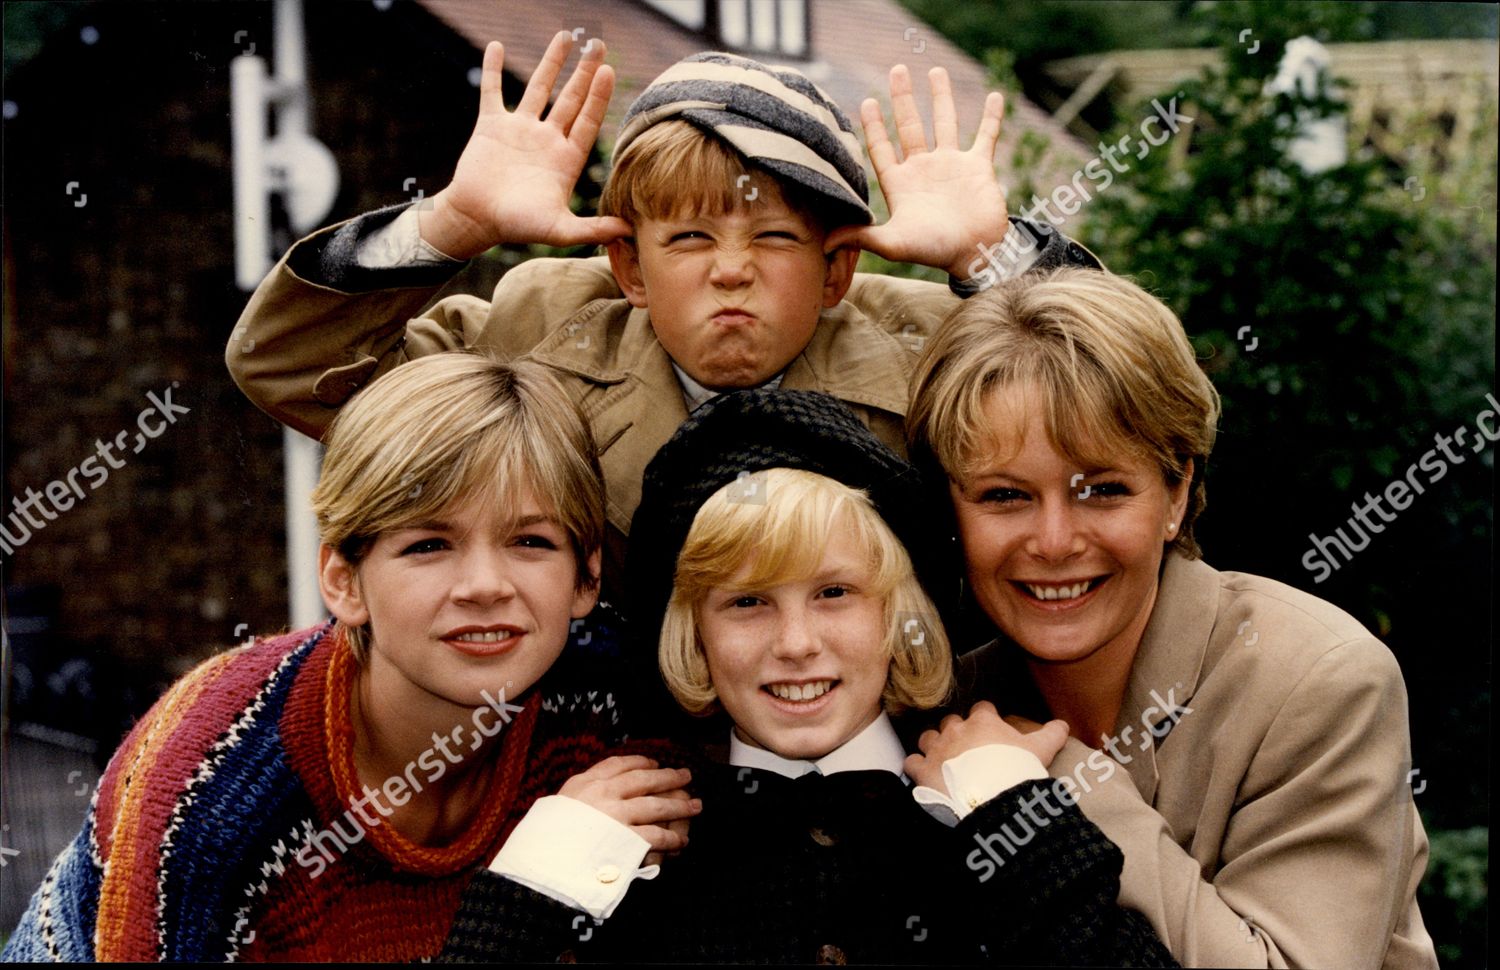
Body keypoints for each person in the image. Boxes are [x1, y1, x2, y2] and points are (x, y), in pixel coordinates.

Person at [224, 31, 1102, 595]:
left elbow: (1122, 409)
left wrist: (993, 257)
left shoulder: (927, 347)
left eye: (773, 239)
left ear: (839, 270)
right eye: (686, 239)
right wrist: (454, 222)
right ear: (627, 269)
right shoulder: (541, 326)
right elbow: (293, 369)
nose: (730, 271)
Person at [436, 389, 1176, 966]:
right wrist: (534, 883)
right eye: (748, 603)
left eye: (834, 594)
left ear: (898, 611)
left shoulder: (985, 804)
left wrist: (1018, 820)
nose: (796, 645)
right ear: (693, 631)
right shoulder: (635, 830)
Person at [1, 354, 695, 962]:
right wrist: (532, 886)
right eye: (428, 544)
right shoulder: (214, 795)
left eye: (531, 542)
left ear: (586, 576)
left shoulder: (611, 706)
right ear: (343, 580)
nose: (486, 585)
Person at [904, 268, 1439, 968]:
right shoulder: (936, 702)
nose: (1056, 541)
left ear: (1178, 492)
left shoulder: (1317, 681)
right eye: (1004, 496)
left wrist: (1048, 782)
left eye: (1103, 489)